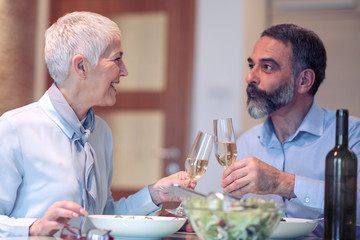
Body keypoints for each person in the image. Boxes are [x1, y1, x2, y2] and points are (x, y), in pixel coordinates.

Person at [0, 11, 195, 237]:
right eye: (116, 59)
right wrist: (34, 228)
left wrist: (154, 193)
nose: (124, 71)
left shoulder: (100, 132)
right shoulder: (14, 129)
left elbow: (102, 217)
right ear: (81, 66)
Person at [221, 23, 360, 237]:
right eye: (252, 66)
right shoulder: (246, 143)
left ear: (304, 81)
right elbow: (231, 218)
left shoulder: (351, 135)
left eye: (267, 67)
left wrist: (282, 182)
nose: (250, 77)